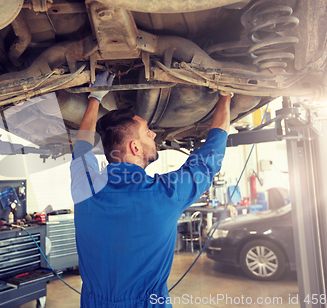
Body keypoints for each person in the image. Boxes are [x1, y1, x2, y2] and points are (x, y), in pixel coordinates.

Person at [70, 71, 231, 308]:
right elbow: (209, 159)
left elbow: (82, 146)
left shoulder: (85, 187)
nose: (154, 134)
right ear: (134, 147)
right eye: (148, 131)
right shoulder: (166, 194)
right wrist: (225, 96)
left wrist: (95, 97)